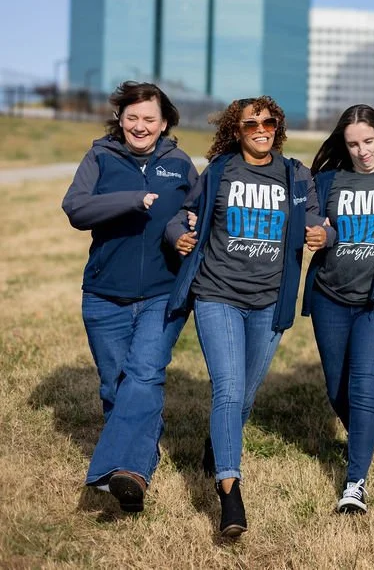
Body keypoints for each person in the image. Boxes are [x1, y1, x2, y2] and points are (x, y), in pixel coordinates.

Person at [165, 96, 330, 536]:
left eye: (268, 121)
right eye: (250, 123)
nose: (261, 128)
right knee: (230, 388)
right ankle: (230, 493)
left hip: (269, 302)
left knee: (246, 395)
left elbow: (321, 221)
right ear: (235, 132)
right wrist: (180, 234)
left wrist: (322, 233)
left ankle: (216, 444)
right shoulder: (219, 171)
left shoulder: (296, 175)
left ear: (278, 126)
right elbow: (181, 217)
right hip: (217, 294)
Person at [62, 81, 197, 513]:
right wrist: (133, 200)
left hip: (163, 292)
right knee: (114, 385)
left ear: (165, 123)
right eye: (132, 117)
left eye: (149, 119)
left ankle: (124, 473)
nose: (140, 126)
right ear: (120, 119)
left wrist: (183, 229)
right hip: (104, 292)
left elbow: (193, 211)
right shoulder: (101, 156)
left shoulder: (179, 164)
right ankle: (137, 463)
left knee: (144, 375)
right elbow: (76, 209)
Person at [300, 105, 374, 514]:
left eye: (368, 141)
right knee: (337, 390)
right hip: (331, 294)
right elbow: (321, 225)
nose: (362, 150)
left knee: (364, 387)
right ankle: (364, 434)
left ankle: (355, 483)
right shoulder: (328, 179)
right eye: (353, 144)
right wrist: (321, 234)